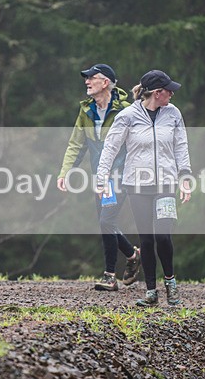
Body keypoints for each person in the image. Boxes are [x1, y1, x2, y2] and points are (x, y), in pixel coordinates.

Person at [95, 70, 192, 306]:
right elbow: (110, 147)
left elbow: (181, 145)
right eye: (169, 90)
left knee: (163, 235)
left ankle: (170, 283)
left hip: (166, 183)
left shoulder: (174, 114)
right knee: (147, 239)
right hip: (137, 185)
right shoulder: (128, 116)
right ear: (157, 93)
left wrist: (185, 175)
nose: (172, 93)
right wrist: (101, 176)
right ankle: (151, 291)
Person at [57, 63, 142, 292]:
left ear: (105, 83)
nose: (86, 82)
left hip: (122, 174)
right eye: (86, 79)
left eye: (91, 78)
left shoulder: (127, 108)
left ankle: (109, 276)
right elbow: (76, 144)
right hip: (100, 175)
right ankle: (132, 255)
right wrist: (65, 171)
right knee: (106, 223)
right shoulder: (86, 111)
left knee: (106, 221)